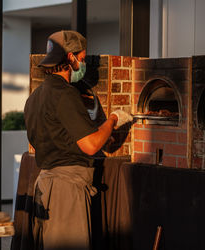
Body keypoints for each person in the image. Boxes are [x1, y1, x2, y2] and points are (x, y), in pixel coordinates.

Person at [24, 30, 132, 250]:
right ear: (70, 57)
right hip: (65, 192)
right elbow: (91, 145)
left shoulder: (34, 97)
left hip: (43, 186)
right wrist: (113, 119)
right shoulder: (65, 93)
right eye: (81, 59)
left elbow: (37, 143)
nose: (81, 65)